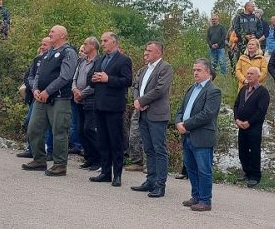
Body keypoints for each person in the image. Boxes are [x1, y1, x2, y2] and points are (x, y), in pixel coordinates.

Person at [21, 25, 78, 176]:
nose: (49, 33)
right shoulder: (48, 53)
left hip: (59, 99)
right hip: (41, 98)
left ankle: (60, 164)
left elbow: (66, 76)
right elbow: (38, 74)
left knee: (59, 131)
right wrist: (35, 89)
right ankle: (39, 159)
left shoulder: (69, 52)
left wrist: (48, 91)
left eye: (53, 31)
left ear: (62, 35)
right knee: (33, 128)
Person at [175, 58, 221, 212]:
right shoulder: (191, 88)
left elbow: (207, 114)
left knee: (204, 169)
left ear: (208, 72)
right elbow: (181, 109)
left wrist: (186, 125)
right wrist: (178, 122)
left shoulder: (213, 90)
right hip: (187, 135)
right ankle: (196, 196)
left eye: (199, 70)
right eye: (194, 70)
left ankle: (205, 200)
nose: (195, 72)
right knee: (191, 168)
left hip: (201, 136)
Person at [89, 32, 132, 186]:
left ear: (114, 42)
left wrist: (108, 79)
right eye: (102, 40)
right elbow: (90, 78)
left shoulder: (124, 60)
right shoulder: (100, 59)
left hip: (114, 107)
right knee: (103, 140)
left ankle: (118, 174)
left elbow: (127, 80)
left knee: (116, 141)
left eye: (105, 40)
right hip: (99, 105)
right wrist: (94, 79)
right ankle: (105, 172)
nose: (103, 43)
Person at [131, 41, 173, 198]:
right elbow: (136, 86)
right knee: (148, 149)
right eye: (145, 49)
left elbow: (160, 89)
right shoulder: (143, 69)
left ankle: (160, 185)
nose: (145, 53)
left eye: (149, 50)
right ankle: (150, 180)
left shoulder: (165, 68)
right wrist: (137, 101)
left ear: (158, 53)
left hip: (157, 114)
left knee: (159, 149)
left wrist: (142, 101)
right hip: (143, 114)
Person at [17, 38, 54, 159]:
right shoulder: (37, 59)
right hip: (34, 96)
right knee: (29, 122)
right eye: (41, 44)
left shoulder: (54, 60)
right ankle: (31, 148)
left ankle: (47, 151)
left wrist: (45, 91)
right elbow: (29, 76)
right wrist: (34, 89)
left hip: (49, 96)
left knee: (47, 125)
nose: (42, 46)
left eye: (45, 44)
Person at [234, 67, 270, 188]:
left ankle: (255, 176)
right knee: (242, 151)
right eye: (247, 73)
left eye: (251, 74)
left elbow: (261, 111)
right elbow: (236, 105)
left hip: (254, 126)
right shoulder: (243, 89)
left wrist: (249, 122)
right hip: (241, 125)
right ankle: (246, 172)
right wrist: (237, 119)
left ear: (258, 76)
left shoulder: (263, 92)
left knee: (254, 151)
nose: (248, 75)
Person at [72, 37, 101, 171]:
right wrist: (74, 90)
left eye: (85, 44)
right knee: (80, 130)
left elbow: (95, 83)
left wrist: (82, 93)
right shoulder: (82, 61)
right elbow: (75, 77)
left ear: (93, 46)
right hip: (78, 100)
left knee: (89, 129)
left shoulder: (99, 62)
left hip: (91, 100)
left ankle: (98, 158)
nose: (83, 46)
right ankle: (89, 157)